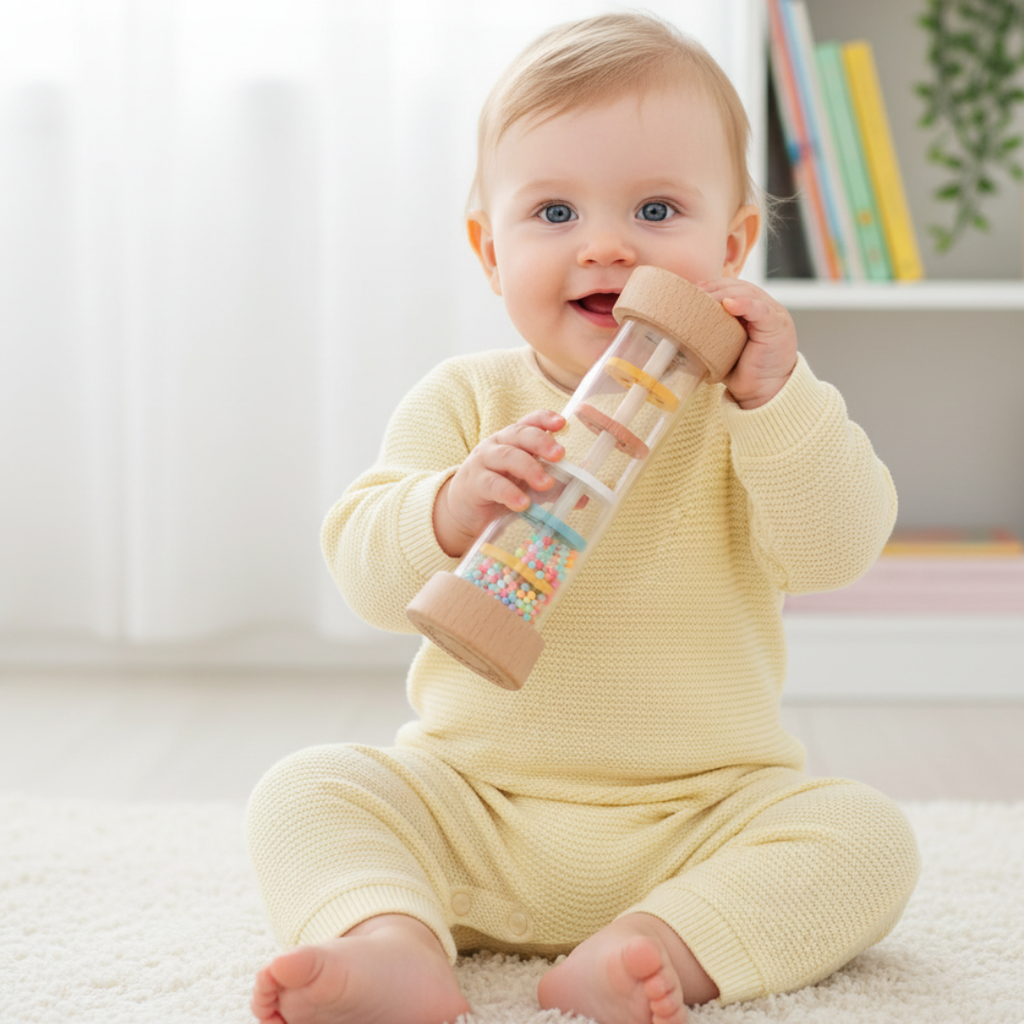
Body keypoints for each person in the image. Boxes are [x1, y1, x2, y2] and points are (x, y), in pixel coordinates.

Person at [247, 12, 919, 1024]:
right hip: (474, 807)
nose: (603, 244)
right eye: (553, 213)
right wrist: (448, 505)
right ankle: (393, 942)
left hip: (700, 815)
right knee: (307, 789)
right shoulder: (466, 401)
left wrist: (775, 401)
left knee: (867, 837)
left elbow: (839, 548)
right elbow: (363, 573)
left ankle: (654, 946)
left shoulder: (751, 411)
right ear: (489, 249)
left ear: (733, 245)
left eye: (655, 208)